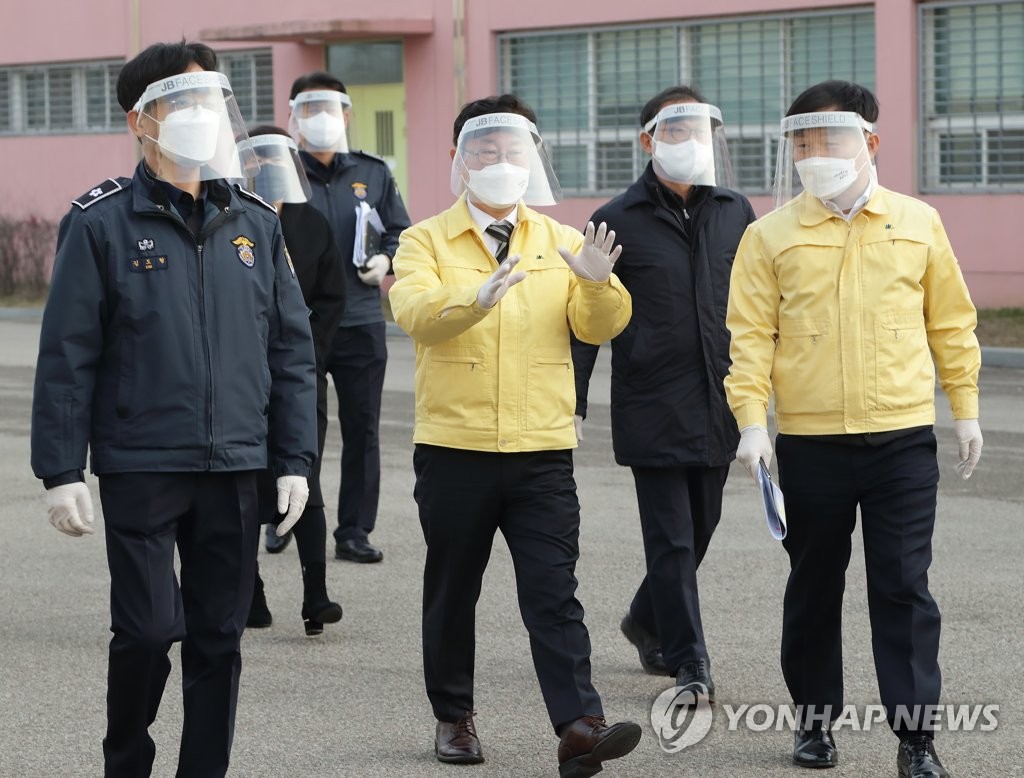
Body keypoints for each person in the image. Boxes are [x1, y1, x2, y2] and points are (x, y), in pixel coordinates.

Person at [29, 42, 317, 777]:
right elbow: (68, 352)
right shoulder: (100, 224)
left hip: (236, 465)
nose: (202, 116)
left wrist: (294, 460)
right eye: (182, 103)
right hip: (142, 462)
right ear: (141, 119)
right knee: (150, 631)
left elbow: (289, 351)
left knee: (220, 637)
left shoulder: (255, 220)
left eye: (209, 101)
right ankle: (126, 760)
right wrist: (60, 469)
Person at [724, 80, 982, 777]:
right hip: (810, 444)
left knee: (902, 586)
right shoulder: (768, 235)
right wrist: (752, 423)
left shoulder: (918, 222)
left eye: (829, 139)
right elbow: (749, 338)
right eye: (802, 142)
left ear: (870, 141)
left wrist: (966, 408)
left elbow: (951, 323)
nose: (815, 154)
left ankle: (917, 739)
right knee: (813, 585)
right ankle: (814, 724)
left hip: (900, 440)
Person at [389, 93, 641, 777]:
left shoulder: (562, 239)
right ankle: (454, 718)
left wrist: (595, 283)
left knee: (553, 590)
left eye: (513, 151)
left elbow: (600, 326)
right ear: (458, 160)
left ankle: (579, 724)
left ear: (532, 157)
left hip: (541, 449)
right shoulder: (424, 240)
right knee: (452, 589)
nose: (500, 163)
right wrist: (475, 298)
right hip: (455, 448)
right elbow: (413, 312)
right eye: (485, 150)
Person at [571, 86, 755, 699]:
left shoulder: (736, 210)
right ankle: (689, 659)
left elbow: (756, 304)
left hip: (720, 401)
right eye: (675, 132)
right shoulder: (615, 219)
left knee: (701, 529)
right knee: (672, 538)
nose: (688, 143)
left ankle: (645, 617)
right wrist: (573, 401)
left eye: (699, 131)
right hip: (652, 403)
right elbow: (587, 320)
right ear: (649, 140)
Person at [281, 71, 411, 564]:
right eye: (308, 111)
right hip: (299, 322)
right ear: (293, 117)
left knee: (363, 429)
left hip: (359, 320)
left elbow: (401, 231)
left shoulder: (373, 172)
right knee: (297, 426)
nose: (319, 120)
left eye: (328, 110)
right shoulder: (281, 170)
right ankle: (288, 517)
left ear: (347, 115)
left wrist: (388, 260)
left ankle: (353, 529)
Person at [242, 126, 346, 637]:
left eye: (275, 163)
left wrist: (312, 357)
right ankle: (252, 593)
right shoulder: (229, 217)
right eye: (255, 164)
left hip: (301, 375)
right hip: (241, 378)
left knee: (305, 474)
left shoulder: (310, 222)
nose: (266, 173)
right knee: (240, 481)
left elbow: (331, 297)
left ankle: (316, 595)